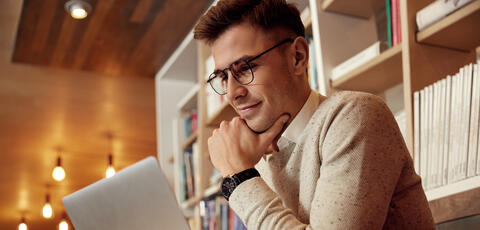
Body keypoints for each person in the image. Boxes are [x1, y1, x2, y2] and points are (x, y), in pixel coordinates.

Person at [193, 0, 435, 229]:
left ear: (298, 57)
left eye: (245, 68)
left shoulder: (355, 116)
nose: (233, 93)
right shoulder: (257, 155)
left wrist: (239, 176)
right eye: (223, 77)